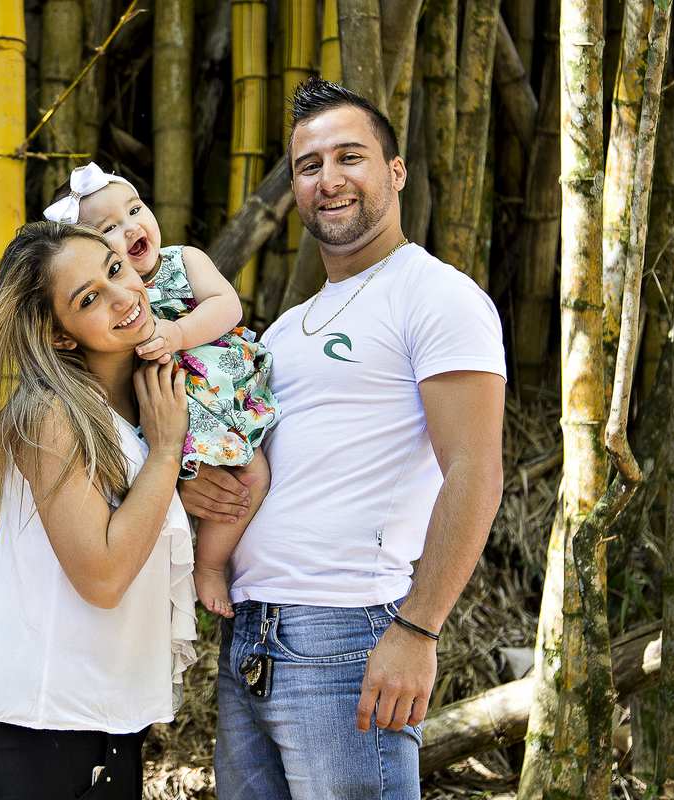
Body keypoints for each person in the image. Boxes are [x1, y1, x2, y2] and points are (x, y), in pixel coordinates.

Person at [180, 76, 506, 799]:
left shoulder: (436, 295)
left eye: (349, 157)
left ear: (396, 171)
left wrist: (417, 630)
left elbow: (475, 471)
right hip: (249, 633)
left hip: (348, 632)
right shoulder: (285, 328)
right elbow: (242, 451)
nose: (329, 179)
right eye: (309, 165)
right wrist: (194, 483)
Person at [0, 221, 198, 800]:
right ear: (58, 336)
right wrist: (165, 454)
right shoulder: (48, 415)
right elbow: (102, 577)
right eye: (88, 299)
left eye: (115, 269)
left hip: (109, 721)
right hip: (46, 730)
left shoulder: (143, 405)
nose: (122, 296)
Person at [45, 163, 280, 618]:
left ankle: (211, 564)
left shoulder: (183, 260)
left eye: (135, 210)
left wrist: (178, 333)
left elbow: (227, 304)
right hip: (165, 413)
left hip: (217, 398)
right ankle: (201, 567)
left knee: (253, 475)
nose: (131, 227)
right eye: (109, 228)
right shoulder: (110, 309)